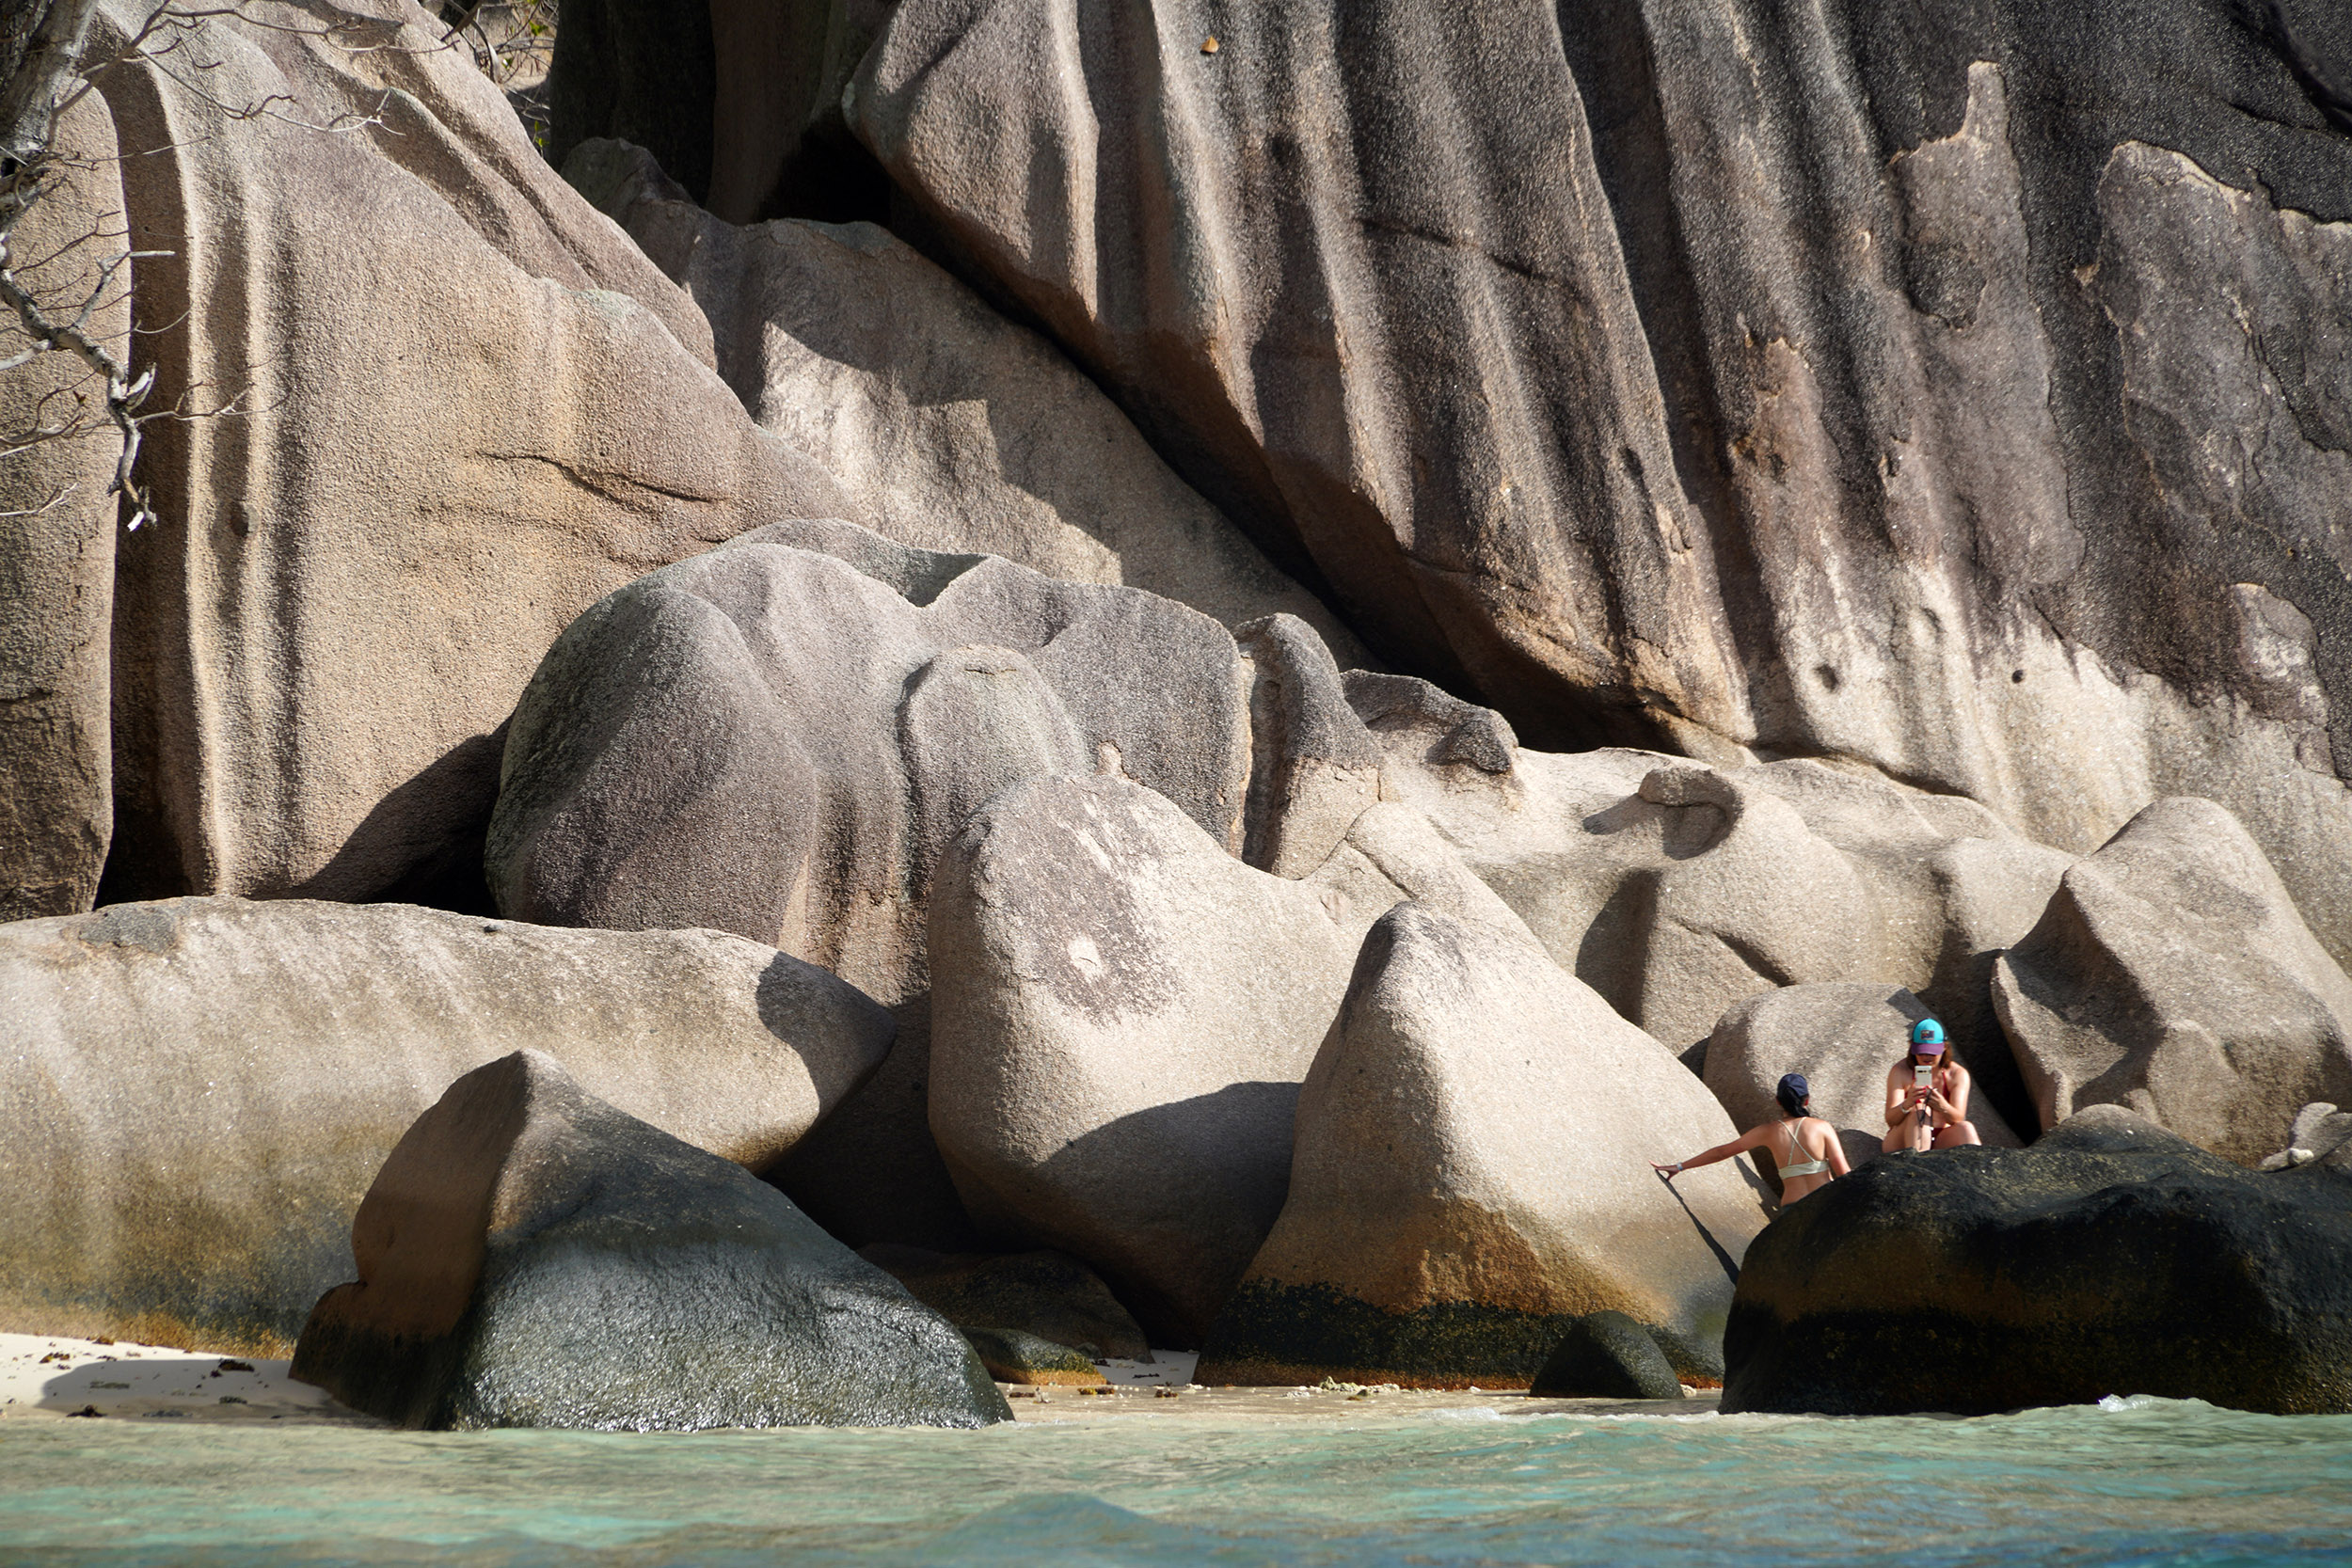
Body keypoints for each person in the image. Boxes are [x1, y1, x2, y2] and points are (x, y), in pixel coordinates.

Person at [1652, 1073, 1850, 1206]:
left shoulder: (1767, 1131)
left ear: (1778, 1101)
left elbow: (1721, 1152)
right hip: (1824, 1203)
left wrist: (1679, 1166)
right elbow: (1844, 1173)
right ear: (1807, 1100)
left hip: (1792, 1209)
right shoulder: (1822, 1127)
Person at [1883, 1018, 1980, 1152]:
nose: (1926, 1057)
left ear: (1944, 1047)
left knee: (1966, 1127)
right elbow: (1890, 1120)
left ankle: (1978, 1164)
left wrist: (1943, 1106)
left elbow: (1957, 1118)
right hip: (1904, 1138)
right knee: (1920, 1110)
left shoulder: (1956, 1074)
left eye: (1932, 1053)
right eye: (1921, 1052)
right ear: (1912, 1047)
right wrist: (1908, 1103)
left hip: (1940, 1137)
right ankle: (1917, 1162)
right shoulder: (1901, 1071)